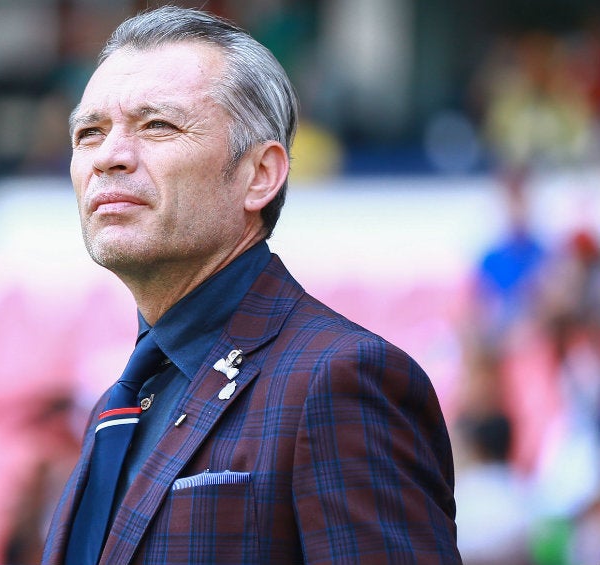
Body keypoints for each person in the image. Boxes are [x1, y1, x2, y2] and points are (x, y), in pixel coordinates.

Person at [41, 6, 459, 565]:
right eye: (89, 133)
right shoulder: (113, 410)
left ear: (260, 174)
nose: (109, 156)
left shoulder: (340, 378)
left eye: (157, 125)